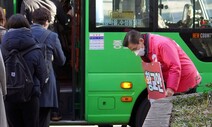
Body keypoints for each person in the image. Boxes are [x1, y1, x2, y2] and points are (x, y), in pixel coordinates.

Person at [123, 29, 202, 97]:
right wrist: (153, 90)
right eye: (133, 51)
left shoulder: (162, 44)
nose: (136, 53)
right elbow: (153, 69)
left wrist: (171, 88)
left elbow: (174, 66)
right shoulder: (147, 48)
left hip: (186, 79)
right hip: (176, 80)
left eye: (135, 49)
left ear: (141, 40)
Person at [1, 14, 48, 127]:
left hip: (9, 97)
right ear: (27, 26)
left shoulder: (2, 48)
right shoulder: (35, 49)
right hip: (30, 98)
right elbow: (43, 77)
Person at [31, 7, 66, 127]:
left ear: (32, 20)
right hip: (46, 85)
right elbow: (61, 61)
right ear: (47, 21)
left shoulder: (25, 34)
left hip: (27, 83)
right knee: (44, 121)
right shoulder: (52, 36)